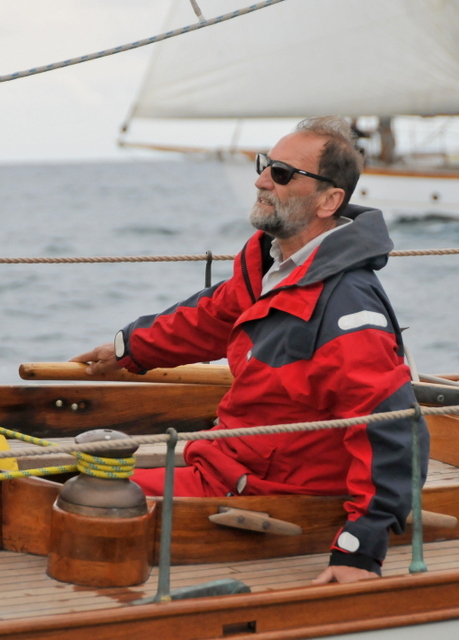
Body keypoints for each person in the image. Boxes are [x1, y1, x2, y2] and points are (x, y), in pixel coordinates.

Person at [72, 116, 429, 585]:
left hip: (266, 489)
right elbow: (211, 317)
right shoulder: (271, 264)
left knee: (78, 502)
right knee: (70, 488)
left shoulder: (347, 309)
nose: (261, 180)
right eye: (266, 165)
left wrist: (358, 552)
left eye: (282, 174)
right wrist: (127, 349)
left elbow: (393, 429)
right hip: (226, 463)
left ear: (329, 200)